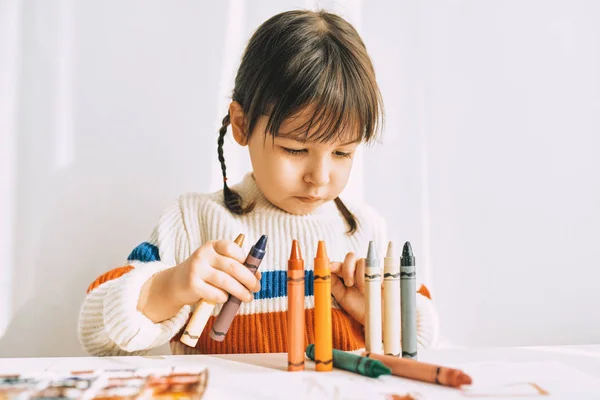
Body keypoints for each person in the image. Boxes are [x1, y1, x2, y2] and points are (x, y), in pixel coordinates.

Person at [78, 9, 438, 356]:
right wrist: (171, 287)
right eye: (295, 149)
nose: (320, 177)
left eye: (343, 153)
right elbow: (96, 333)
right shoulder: (194, 220)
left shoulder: (363, 230)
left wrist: (380, 314)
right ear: (241, 124)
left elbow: (422, 337)